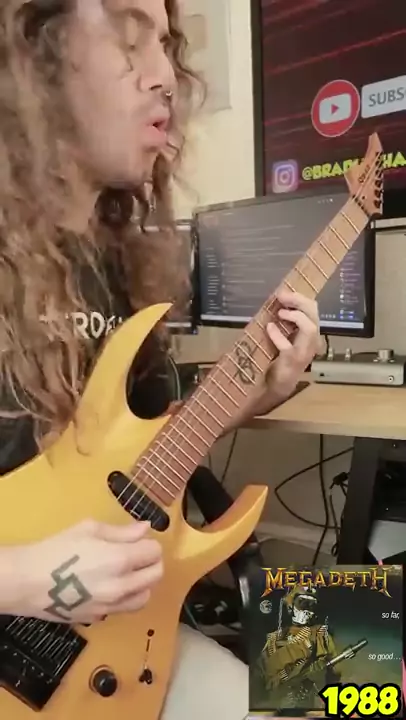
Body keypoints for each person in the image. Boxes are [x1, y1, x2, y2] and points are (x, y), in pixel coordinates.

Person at [0, 1, 320, 718]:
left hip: (124, 642)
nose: (166, 77)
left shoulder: (120, 264)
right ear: (35, 57)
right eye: (130, 37)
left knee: (366, 659)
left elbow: (129, 469)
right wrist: (19, 575)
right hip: (27, 658)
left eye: (168, 46)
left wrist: (250, 397)